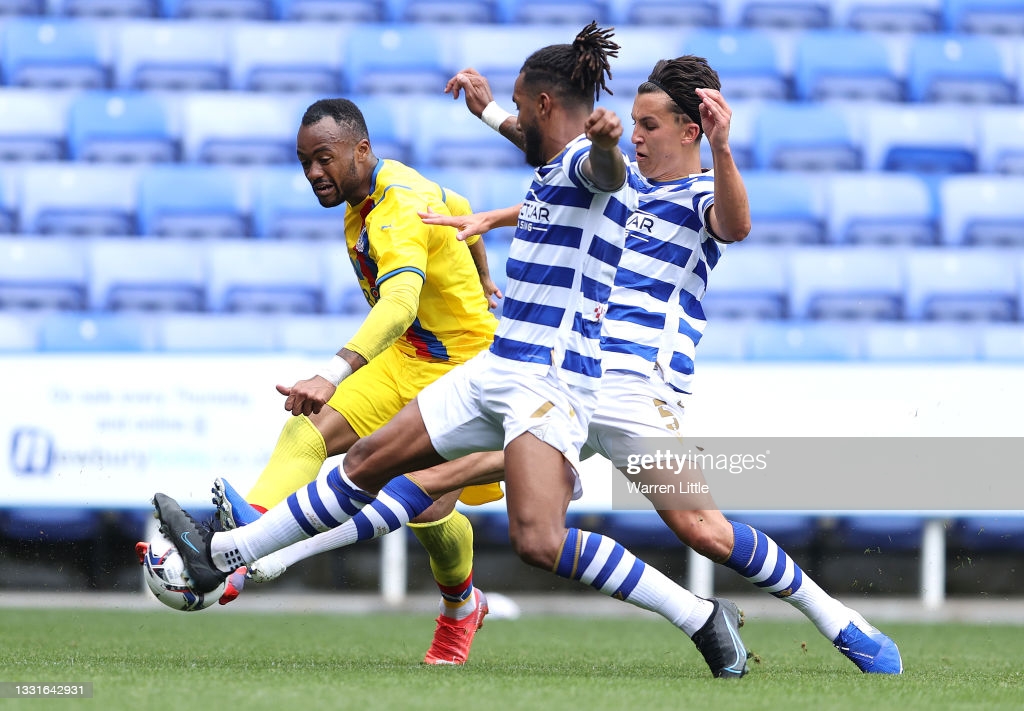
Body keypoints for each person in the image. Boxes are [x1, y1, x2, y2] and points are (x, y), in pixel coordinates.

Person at [215, 55, 902, 675]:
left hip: (635, 393)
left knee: (705, 531)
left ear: (691, 130)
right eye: (632, 122)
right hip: (567, 377)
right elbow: (562, 167)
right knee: (424, 475)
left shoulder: (697, 196)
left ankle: (839, 619)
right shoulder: (621, 185)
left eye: (651, 124)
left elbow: (733, 222)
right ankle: (256, 554)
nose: (636, 135)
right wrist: (492, 141)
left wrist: (723, 151)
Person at [153, 23, 751, 680]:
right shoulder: (551, 163)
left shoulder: (590, 161)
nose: (516, 116)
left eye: (522, 106)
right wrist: (490, 122)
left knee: (530, 537)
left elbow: (598, 172)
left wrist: (608, 148)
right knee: (371, 461)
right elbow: (496, 175)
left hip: (545, 381)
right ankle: (232, 553)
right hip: (493, 364)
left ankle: (694, 614)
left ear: (547, 106)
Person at [175, 95, 503, 664]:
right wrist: (482, 271)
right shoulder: (382, 188)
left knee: (428, 508)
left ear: (361, 149)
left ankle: (460, 608)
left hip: (466, 373)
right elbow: (461, 205)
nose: (313, 174)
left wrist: (333, 373)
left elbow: (399, 303)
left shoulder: (395, 208)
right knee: (308, 433)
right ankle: (239, 552)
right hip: (407, 359)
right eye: (304, 162)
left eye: (323, 159)